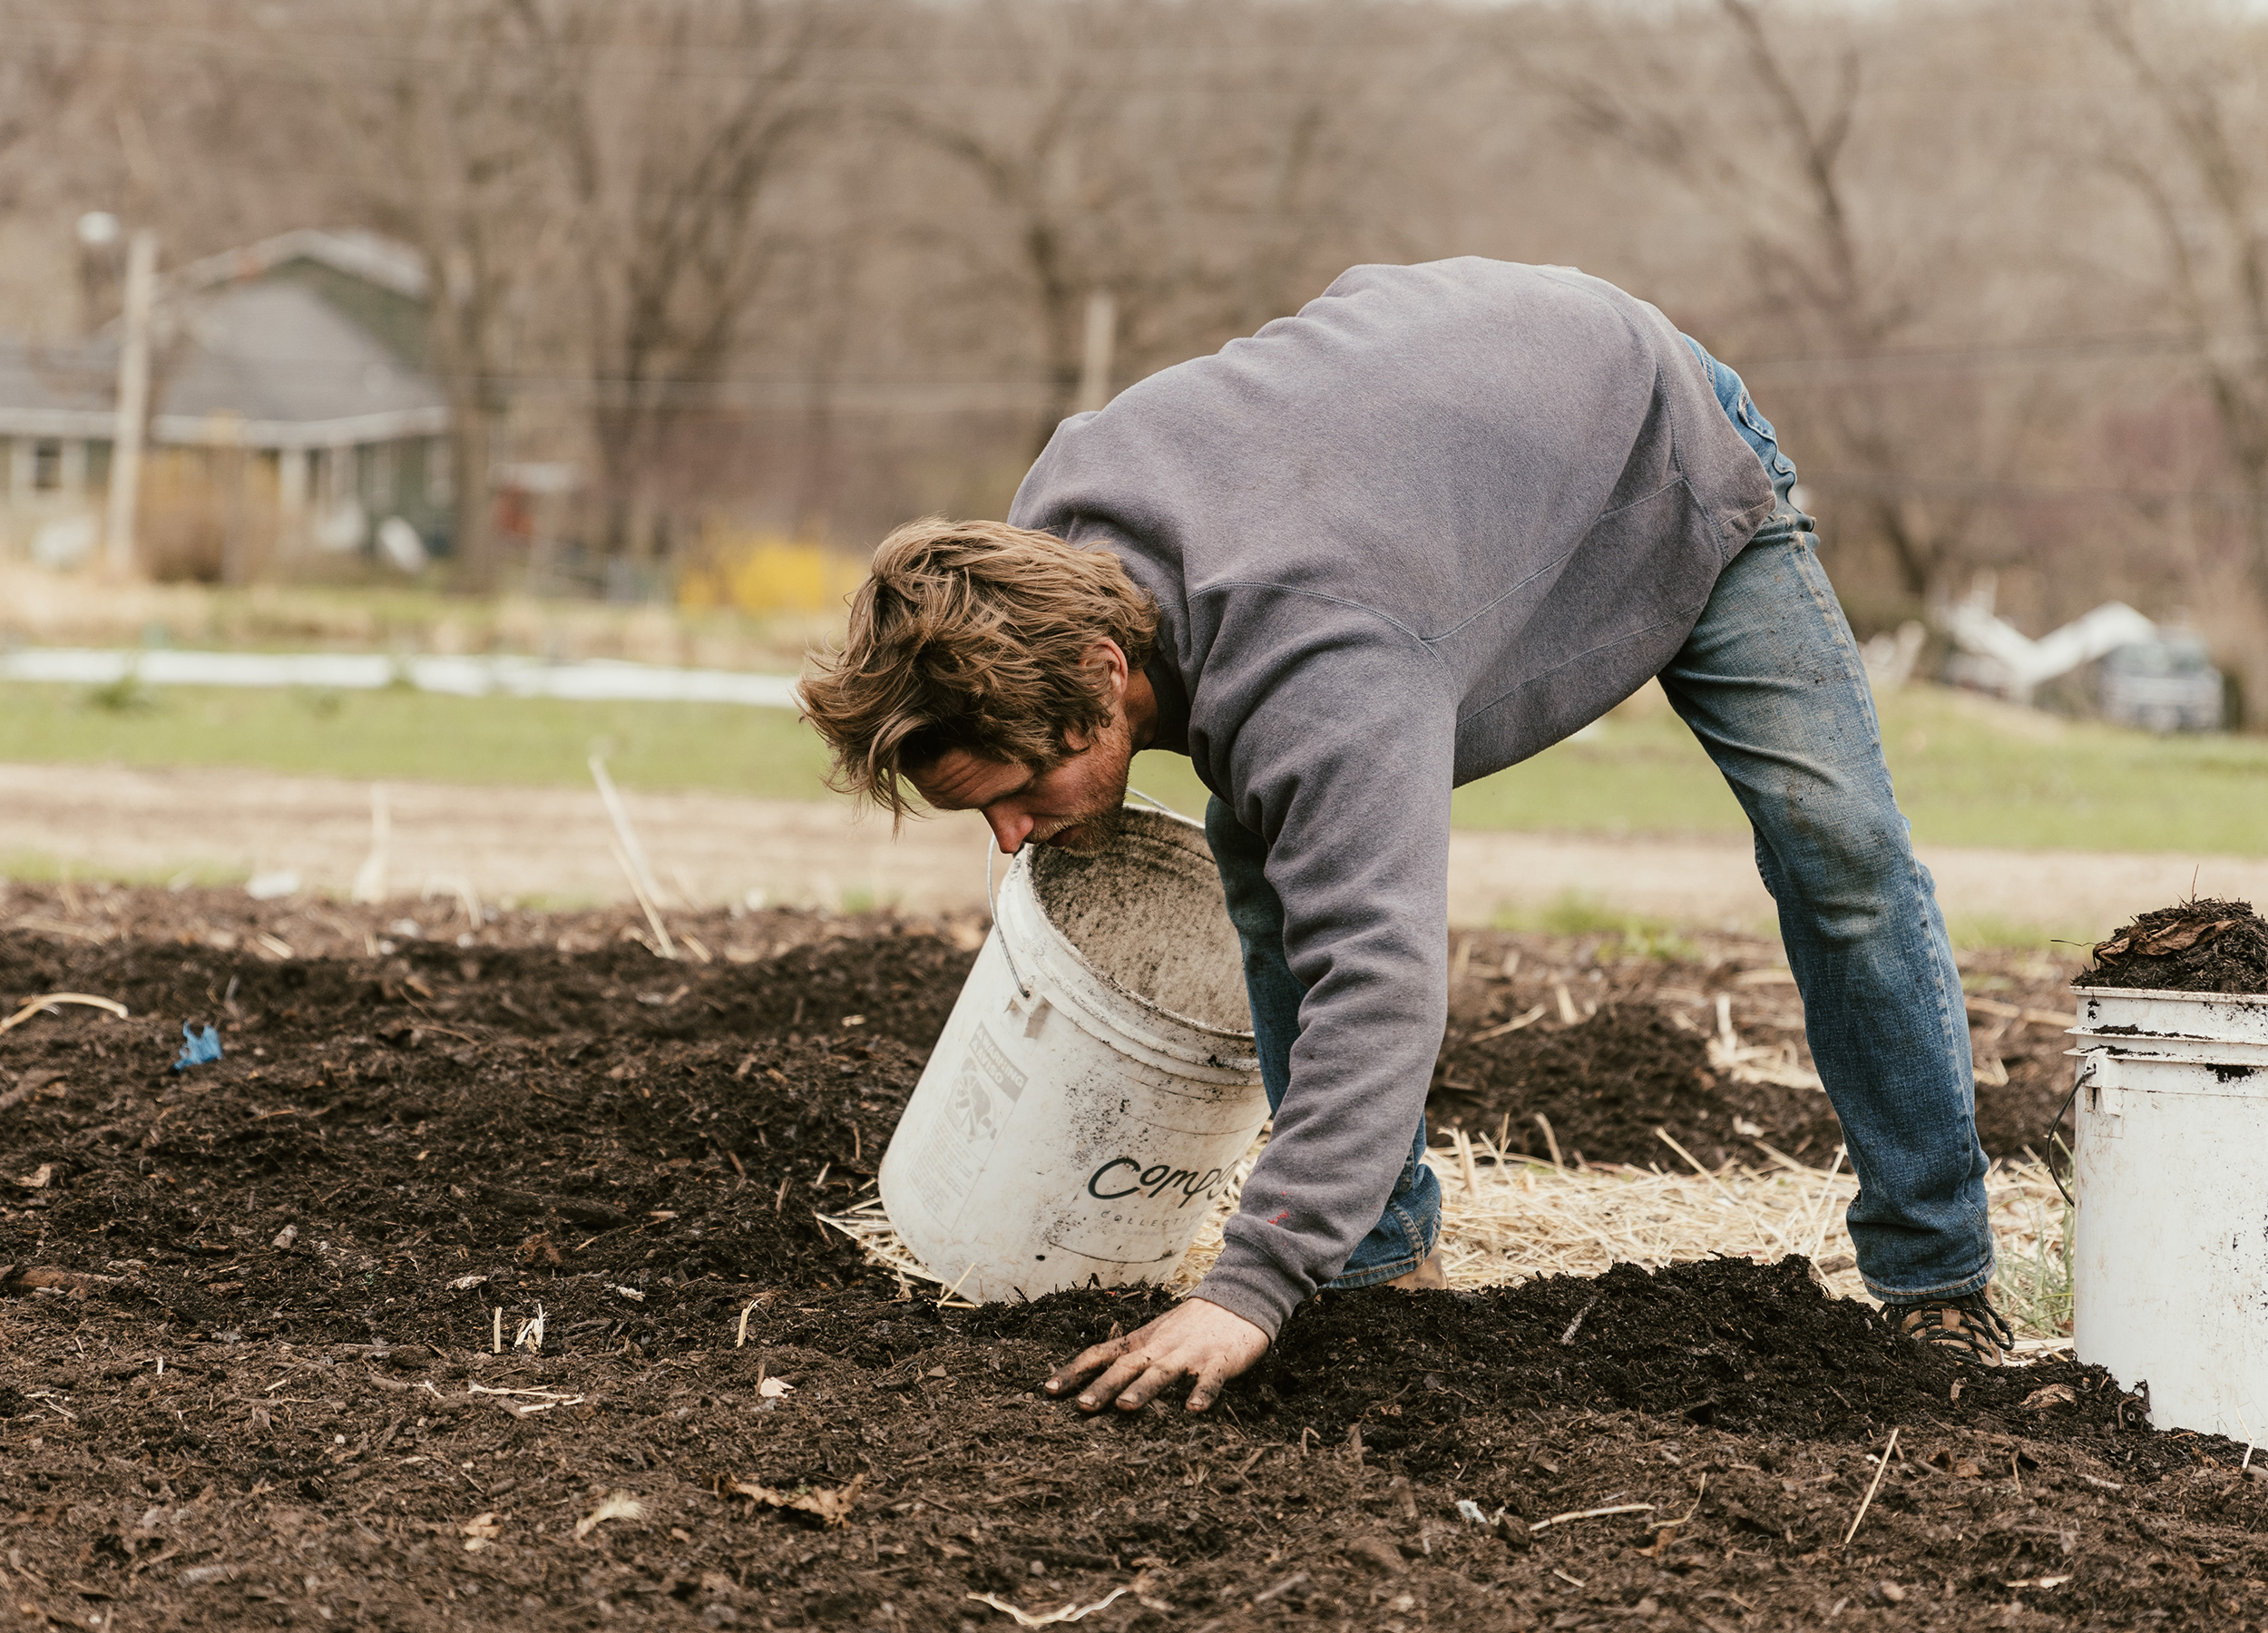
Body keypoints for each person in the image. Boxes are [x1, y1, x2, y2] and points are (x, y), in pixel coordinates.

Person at [801, 258, 2007, 1416]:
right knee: (1272, 850)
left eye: (1012, 793)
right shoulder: (1044, 553)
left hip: (1659, 442)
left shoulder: (1322, 669)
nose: (1011, 838)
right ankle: (1379, 1266)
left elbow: (1379, 986)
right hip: (1432, 446)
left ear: (1105, 673)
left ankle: (1937, 1271)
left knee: (1841, 857)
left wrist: (1251, 1283)